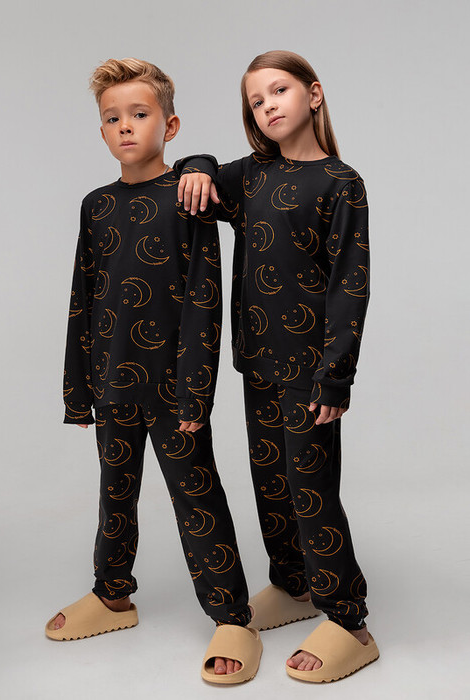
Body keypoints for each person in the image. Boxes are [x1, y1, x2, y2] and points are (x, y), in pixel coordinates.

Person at [45, 57, 262, 685]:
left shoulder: (189, 198)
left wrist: (196, 395)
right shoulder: (95, 206)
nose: (125, 126)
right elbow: (83, 297)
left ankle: (233, 618)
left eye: (138, 114)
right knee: (115, 492)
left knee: (197, 497)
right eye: (112, 117)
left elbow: (203, 302)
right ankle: (112, 594)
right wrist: (78, 391)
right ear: (101, 130)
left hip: (172, 388)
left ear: (169, 126)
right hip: (111, 380)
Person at [175, 50, 379, 683]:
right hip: (256, 364)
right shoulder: (252, 176)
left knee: (310, 490)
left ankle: (348, 618)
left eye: (279, 91)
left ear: (313, 94)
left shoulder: (341, 184)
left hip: (311, 371)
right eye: (256, 101)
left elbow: (350, 285)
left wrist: (336, 375)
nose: (267, 106)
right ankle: (294, 584)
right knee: (271, 483)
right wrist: (197, 164)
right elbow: (194, 171)